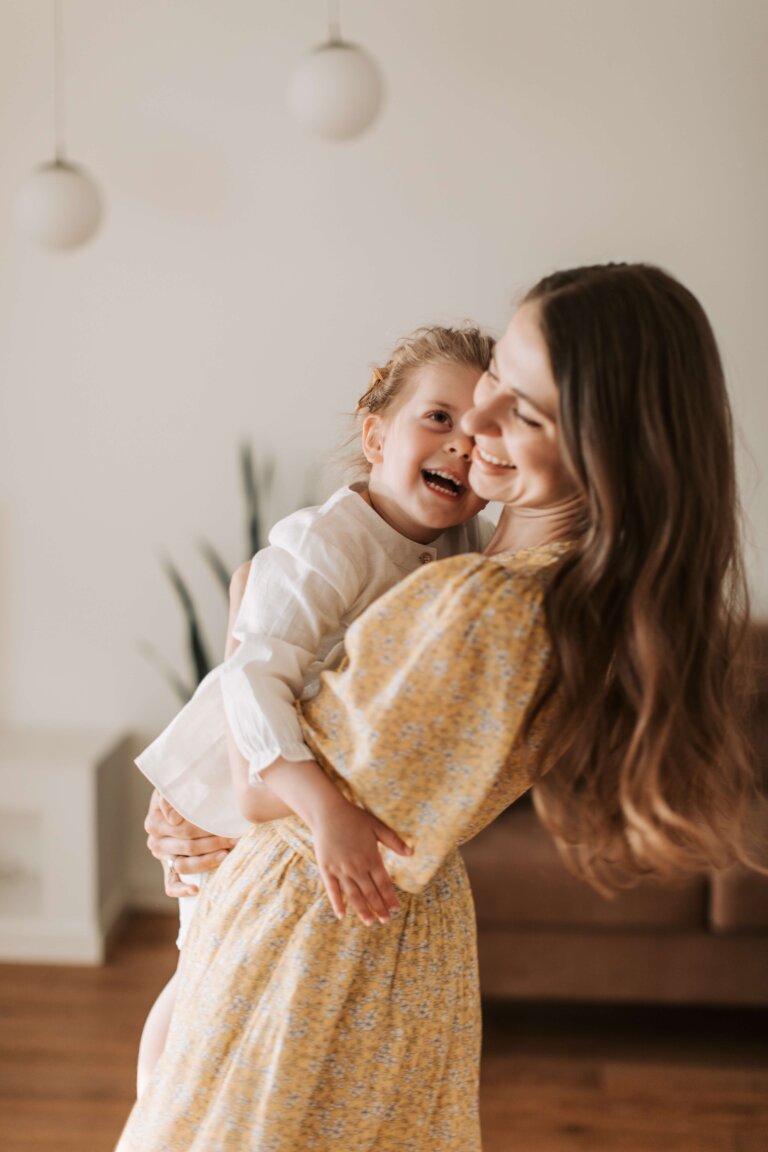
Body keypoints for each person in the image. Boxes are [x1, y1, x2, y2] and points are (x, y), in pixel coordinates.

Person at [124, 263, 762, 1152]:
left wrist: (244, 601)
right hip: (353, 938)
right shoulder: (503, 581)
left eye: (525, 412)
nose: (480, 427)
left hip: (312, 946)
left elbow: (263, 787)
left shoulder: (482, 609)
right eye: (498, 372)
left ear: (601, 448)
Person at [133, 325, 495, 1095]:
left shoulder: (459, 550)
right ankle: (155, 1118)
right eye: (438, 418)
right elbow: (255, 674)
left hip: (280, 789)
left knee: (228, 983)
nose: (461, 444)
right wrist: (325, 811)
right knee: (204, 972)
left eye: (479, 430)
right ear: (375, 434)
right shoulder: (330, 541)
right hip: (233, 780)